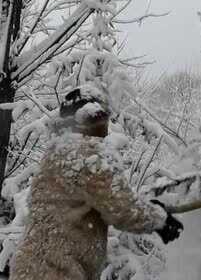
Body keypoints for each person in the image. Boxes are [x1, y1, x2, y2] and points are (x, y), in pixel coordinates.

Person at [10, 85, 183, 280]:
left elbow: (102, 199)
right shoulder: (89, 153)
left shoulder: (57, 153)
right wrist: (159, 219)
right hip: (57, 272)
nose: (107, 127)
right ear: (93, 116)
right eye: (104, 118)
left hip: (31, 268)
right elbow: (122, 210)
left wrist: (148, 209)